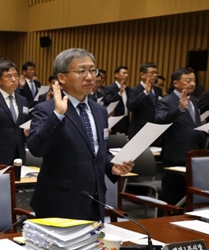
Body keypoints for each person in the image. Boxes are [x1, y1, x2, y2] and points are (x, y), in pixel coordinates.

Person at [27, 48, 134, 221]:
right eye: (81, 71)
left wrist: (111, 166)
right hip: (59, 203)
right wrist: (58, 115)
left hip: (94, 200)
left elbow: (99, 151)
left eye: (92, 70)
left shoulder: (99, 111)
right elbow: (36, 148)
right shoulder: (46, 110)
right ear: (62, 78)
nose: (90, 77)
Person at [155, 68, 206, 205]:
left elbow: (192, 123)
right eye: (188, 80)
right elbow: (160, 119)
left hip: (194, 153)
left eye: (194, 80)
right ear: (176, 83)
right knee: (171, 197)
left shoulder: (194, 101)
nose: (192, 84)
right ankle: (163, 224)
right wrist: (179, 109)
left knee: (188, 197)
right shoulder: (166, 101)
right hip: (175, 156)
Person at [127, 62, 162, 139]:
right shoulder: (134, 90)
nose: (155, 75)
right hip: (139, 130)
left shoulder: (157, 90)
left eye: (156, 73)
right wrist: (145, 92)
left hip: (154, 129)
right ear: (142, 74)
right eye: (152, 73)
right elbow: (131, 106)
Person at [103, 65, 132, 135]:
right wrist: (119, 93)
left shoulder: (128, 89)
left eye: (127, 73)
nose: (126, 75)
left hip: (125, 120)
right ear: (116, 75)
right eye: (124, 73)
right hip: (114, 120)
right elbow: (108, 100)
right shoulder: (109, 88)